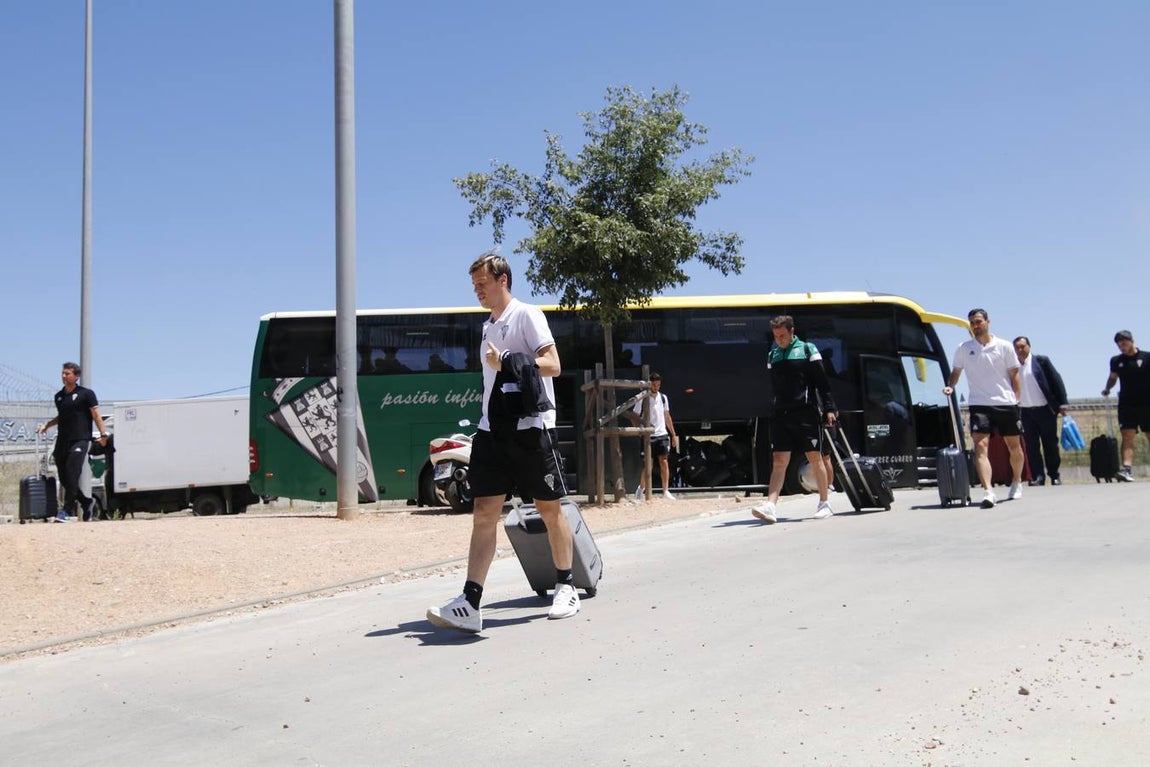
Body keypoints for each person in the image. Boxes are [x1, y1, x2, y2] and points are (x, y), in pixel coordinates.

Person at [426, 252, 576, 632]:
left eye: (482, 283)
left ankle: (566, 585)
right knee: (483, 511)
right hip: (493, 430)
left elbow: (554, 364)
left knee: (549, 510)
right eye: (474, 284)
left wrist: (507, 358)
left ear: (503, 280)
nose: (477, 290)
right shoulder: (486, 327)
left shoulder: (527, 315)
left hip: (532, 428)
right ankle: (471, 601)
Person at [750, 315, 838, 524]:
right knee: (779, 461)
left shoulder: (808, 350)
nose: (779, 340)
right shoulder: (773, 355)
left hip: (806, 412)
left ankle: (824, 503)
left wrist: (829, 408)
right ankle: (771, 506)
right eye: (775, 336)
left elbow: (822, 383)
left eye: (782, 335)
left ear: (791, 331)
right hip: (781, 415)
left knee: (815, 458)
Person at [943, 309, 1024, 508]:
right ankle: (988, 490)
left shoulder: (1004, 346)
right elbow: (956, 372)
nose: (975, 325)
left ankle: (1017, 481)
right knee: (980, 446)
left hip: (1005, 403)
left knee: (1013, 446)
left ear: (987, 321)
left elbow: (1014, 374)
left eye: (978, 321)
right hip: (979, 404)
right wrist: (950, 385)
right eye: (972, 323)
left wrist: (1017, 398)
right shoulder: (963, 348)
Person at [36, 362, 108, 522]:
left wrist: (103, 434)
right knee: (66, 478)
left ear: (76, 376)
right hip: (62, 441)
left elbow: (96, 415)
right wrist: (47, 426)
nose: (63, 376)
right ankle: (86, 502)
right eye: (62, 373)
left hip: (81, 439)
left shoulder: (86, 394)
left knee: (72, 472)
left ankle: (66, 510)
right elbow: (61, 416)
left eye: (67, 373)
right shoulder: (59, 397)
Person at [1012, 336, 1069, 486]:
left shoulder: (1041, 361)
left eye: (1022, 346)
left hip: (1045, 410)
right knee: (1031, 446)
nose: (1020, 350)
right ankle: (1038, 476)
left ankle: (1054, 475)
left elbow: (1056, 380)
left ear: (1029, 347)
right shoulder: (1012, 366)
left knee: (1050, 444)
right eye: (1017, 347)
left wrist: (1063, 404)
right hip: (1025, 412)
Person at [1102, 330, 1150, 482]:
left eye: (1124, 343)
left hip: (1147, 403)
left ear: (1132, 341)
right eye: (1119, 344)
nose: (1122, 346)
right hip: (1127, 404)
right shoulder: (1116, 360)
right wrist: (1108, 388)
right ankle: (1127, 469)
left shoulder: (1146, 357)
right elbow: (1113, 377)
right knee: (1127, 435)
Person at [628, 372, 678, 500]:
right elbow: (634, 415)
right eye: (654, 384)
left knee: (664, 461)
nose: (656, 387)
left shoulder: (663, 398)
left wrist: (673, 434)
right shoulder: (643, 398)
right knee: (648, 464)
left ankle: (665, 491)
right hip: (648, 434)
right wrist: (639, 431)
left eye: (658, 384)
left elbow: (667, 416)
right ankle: (641, 489)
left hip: (662, 433)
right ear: (650, 384)